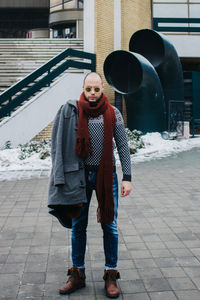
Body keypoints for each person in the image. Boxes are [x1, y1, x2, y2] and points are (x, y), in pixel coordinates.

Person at [48, 72, 132, 298]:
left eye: (96, 89)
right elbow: (60, 142)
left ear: (102, 88)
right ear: (83, 89)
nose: (92, 94)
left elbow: (123, 147)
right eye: (88, 89)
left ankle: (110, 273)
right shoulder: (74, 112)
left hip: (106, 177)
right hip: (80, 178)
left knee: (110, 226)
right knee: (78, 226)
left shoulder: (113, 113)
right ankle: (78, 274)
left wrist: (127, 177)